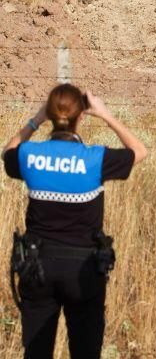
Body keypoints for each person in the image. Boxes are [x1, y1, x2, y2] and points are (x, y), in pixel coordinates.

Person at [2, 84, 147, 359]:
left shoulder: (30, 155)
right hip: (83, 269)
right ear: (81, 116)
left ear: (50, 113)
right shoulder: (95, 158)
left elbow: (7, 152)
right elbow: (139, 151)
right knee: (85, 351)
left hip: (37, 266)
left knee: (36, 351)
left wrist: (35, 120)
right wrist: (105, 114)